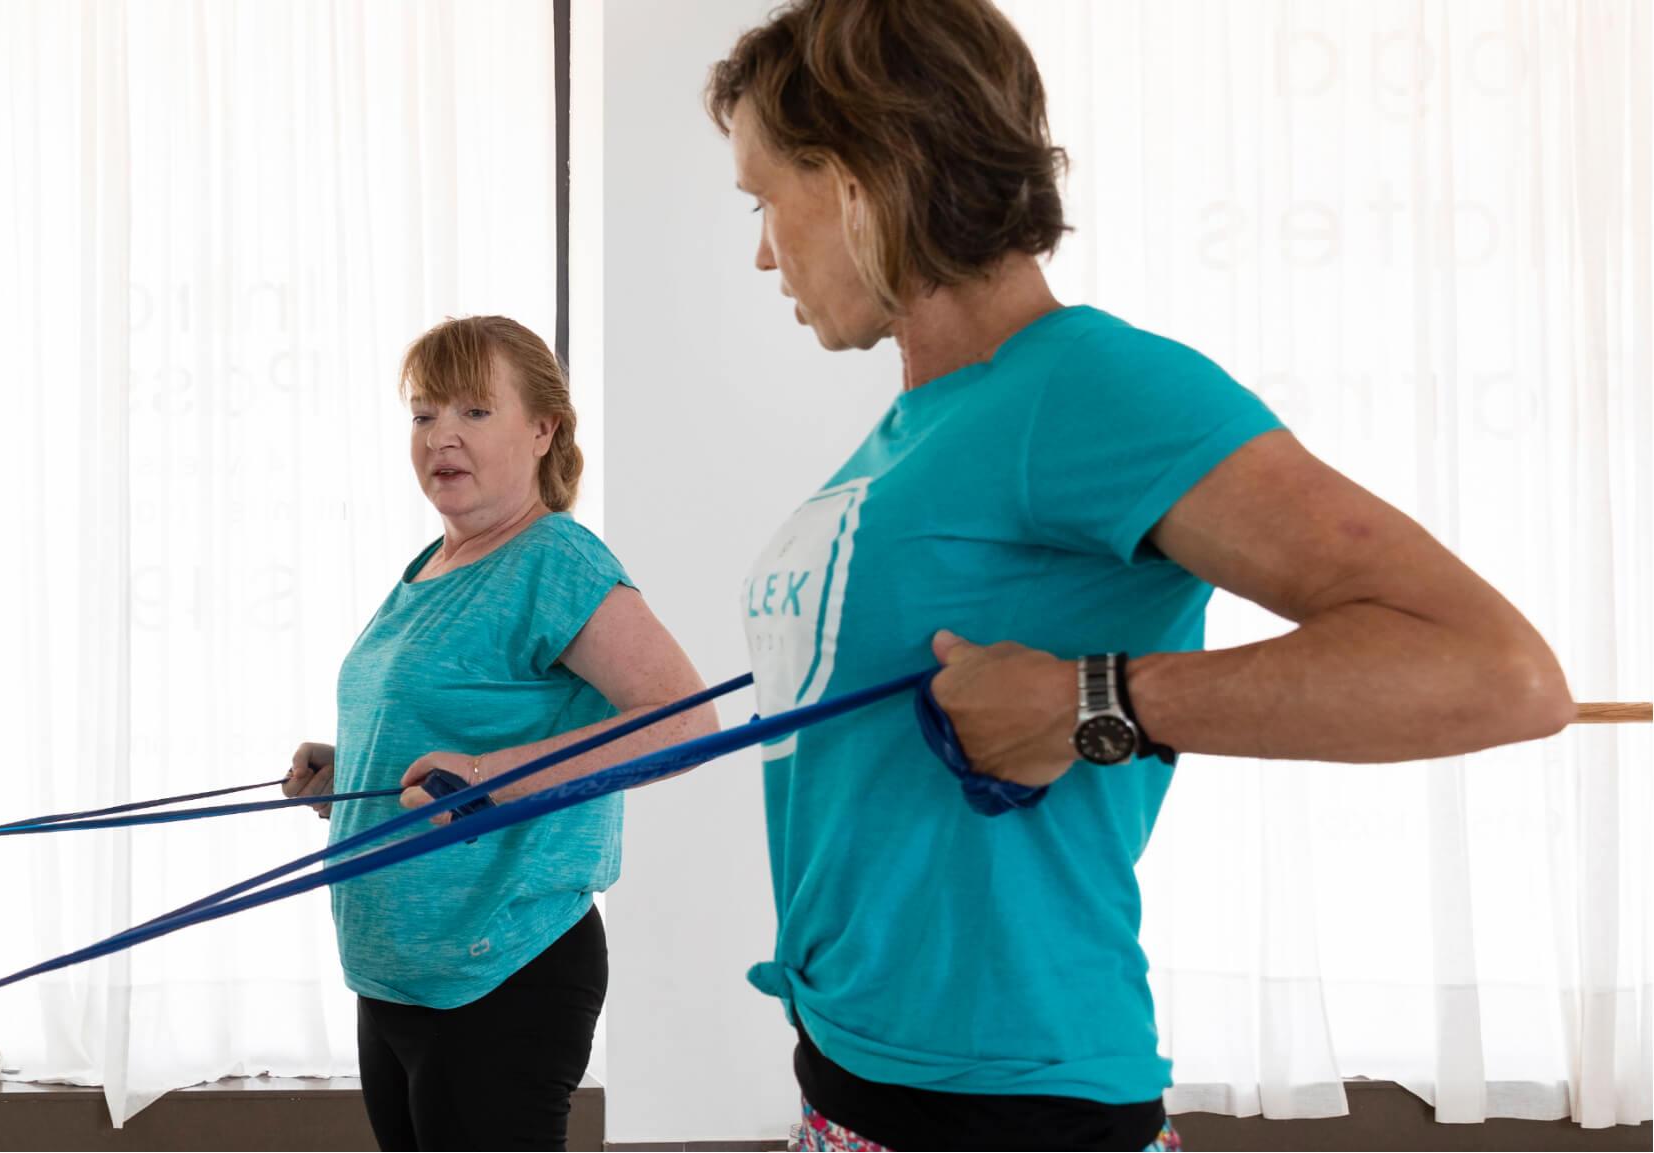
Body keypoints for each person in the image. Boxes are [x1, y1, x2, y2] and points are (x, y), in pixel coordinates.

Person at [661, 2, 1578, 1148]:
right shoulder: (917, 429)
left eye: (763, 197)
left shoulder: (1088, 386)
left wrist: (1090, 701)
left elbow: (1495, 672)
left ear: (865, 173)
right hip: (851, 1080)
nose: (760, 248)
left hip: (1010, 1110)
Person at [280, 315, 717, 1150]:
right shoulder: (430, 566)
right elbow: (442, 746)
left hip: (501, 970)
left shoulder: (555, 558)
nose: (441, 434)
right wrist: (348, 778)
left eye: (474, 411)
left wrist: (489, 772)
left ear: (543, 427)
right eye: (422, 413)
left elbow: (684, 724)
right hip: (399, 973)